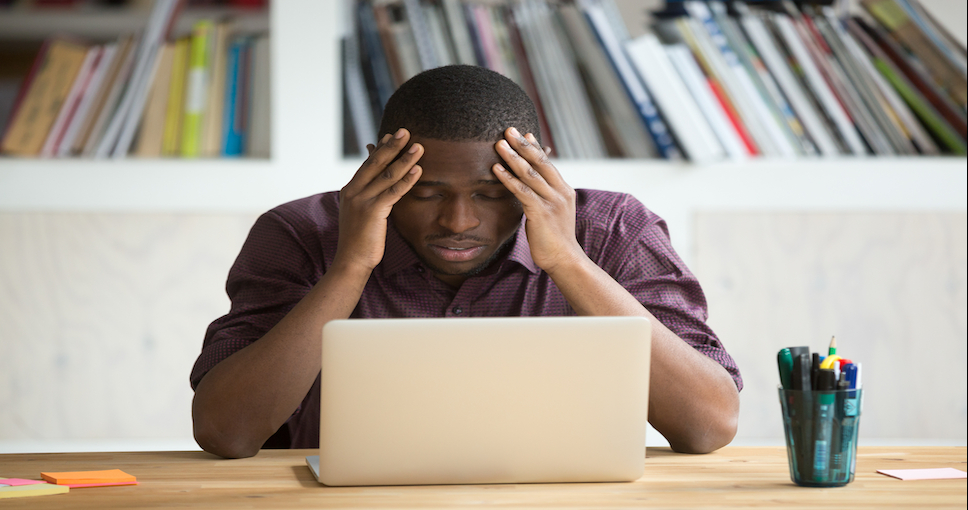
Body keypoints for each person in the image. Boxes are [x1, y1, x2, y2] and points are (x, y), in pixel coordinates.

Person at [190, 65, 742, 459]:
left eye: (491, 193)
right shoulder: (301, 233)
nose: (458, 222)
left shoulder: (614, 229)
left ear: (536, 173)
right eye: (426, 192)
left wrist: (569, 262)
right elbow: (227, 432)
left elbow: (709, 425)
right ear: (380, 168)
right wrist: (350, 266)